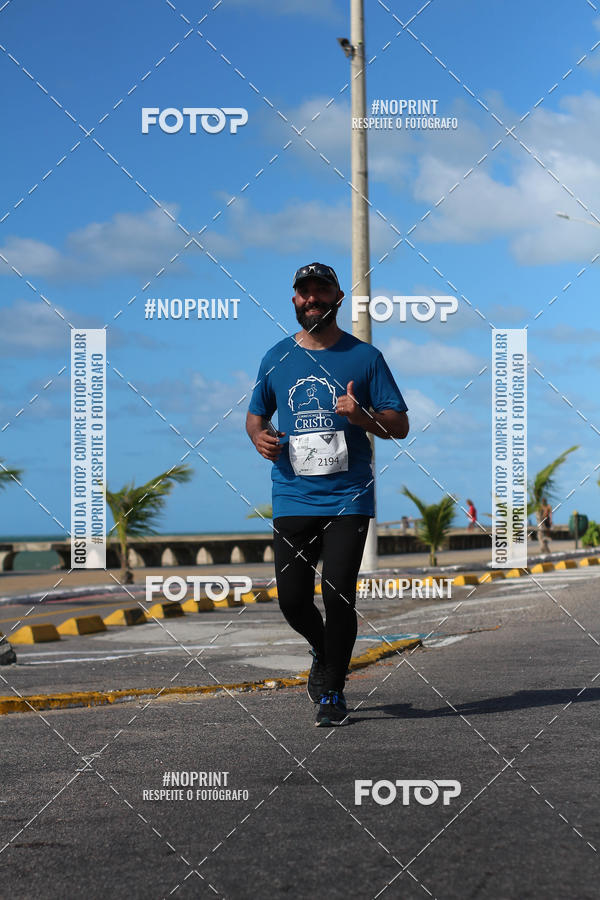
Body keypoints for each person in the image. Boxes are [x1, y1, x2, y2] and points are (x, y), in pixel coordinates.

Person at [246, 262, 409, 726]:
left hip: (347, 497)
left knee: (338, 595)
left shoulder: (365, 358)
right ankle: (323, 649)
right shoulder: (275, 358)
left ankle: (332, 692)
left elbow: (399, 425)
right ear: (294, 300)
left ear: (338, 298)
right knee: (292, 601)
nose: (312, 298)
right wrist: (258, 438)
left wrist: (361, 417)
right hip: (293, 496)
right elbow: (256, 416)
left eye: (322, 290)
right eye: (305, 292)